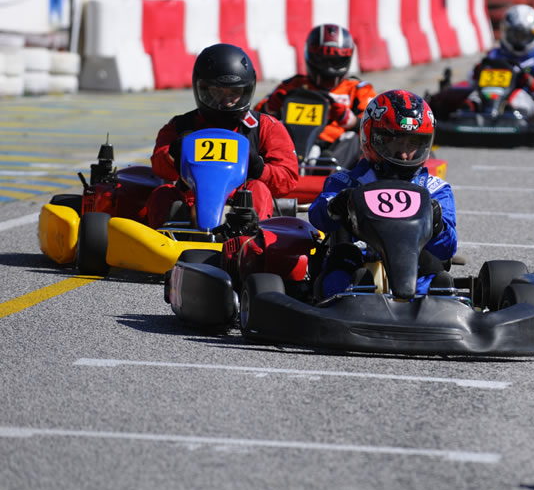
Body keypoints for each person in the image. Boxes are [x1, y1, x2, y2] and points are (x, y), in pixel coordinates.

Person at [308, 89, 456, 300]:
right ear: (373, 138)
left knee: (434, 269)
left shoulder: (435, 189)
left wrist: (437, 223)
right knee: (341, 262)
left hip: (413, 259)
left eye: (413, 144)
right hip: (356, 259)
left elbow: (448, 248)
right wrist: (336, 205)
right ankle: (343, 301)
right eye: (396, 142)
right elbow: (317, 216)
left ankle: (431, 304)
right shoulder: (345, 181)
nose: (405, 153)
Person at [147, 43, 299, 228]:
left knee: (259, 189)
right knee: (162, 193)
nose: (226, 100)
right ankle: (161, 242)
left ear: (246, 90)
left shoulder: (265, 127)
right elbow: (159, 168)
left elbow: (288, 179)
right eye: (217, 91)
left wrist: (259, 169)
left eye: (234, 92)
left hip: (242, 207)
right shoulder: (181, 126)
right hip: (192, 201)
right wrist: (173, 155)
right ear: (202, 88)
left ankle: (249, 244)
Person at [254, 24, 376, 170]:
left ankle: (330, 170)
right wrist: (270, 107)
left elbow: (374, 126)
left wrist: (350, 120)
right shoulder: (293, 86)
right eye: (323, 60)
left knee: (354, 138)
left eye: (335, 61)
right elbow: (254, 120)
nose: (328, 67)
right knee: (272, 129)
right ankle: (281, 167)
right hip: (293, 144)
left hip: (337, 148)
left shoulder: (358, 90)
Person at [429, 4, 534, 119]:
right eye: (515, 35)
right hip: (488, 94)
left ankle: (510, 116)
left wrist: (529, 81)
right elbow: (471, 81)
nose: (519, 40)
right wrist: (478, 71)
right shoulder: (494, 55)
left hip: (521, 99)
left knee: (517, 99)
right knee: (473, 97)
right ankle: (467, 113)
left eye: (523, 36)